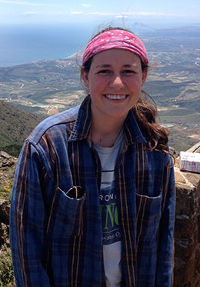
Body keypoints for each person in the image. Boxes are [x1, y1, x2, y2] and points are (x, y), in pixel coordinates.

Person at [10, 27, 176, 287]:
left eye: (128, 71)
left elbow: (163, 247)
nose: (117, 83)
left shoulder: (155, 151)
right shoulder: (47, 147)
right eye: (104, 71)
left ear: (143, 77)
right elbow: (27, 251)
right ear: (85, 76)